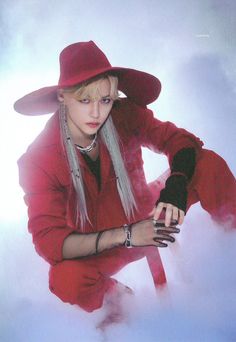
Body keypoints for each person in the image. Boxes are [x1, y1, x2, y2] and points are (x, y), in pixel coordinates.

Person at [14, 41, 236, 328]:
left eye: (105, 100)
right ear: (62, 98)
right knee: (66, 278)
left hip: (149, 210)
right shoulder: (39, 160)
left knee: (207, 164)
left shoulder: (124, 114)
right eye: (85, 100)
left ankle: (231, 246)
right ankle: (124, 306)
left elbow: (179, 140)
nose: (96, 113)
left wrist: (177, 184)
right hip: (105, 244)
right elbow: (50, 243)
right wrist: (128, 235)